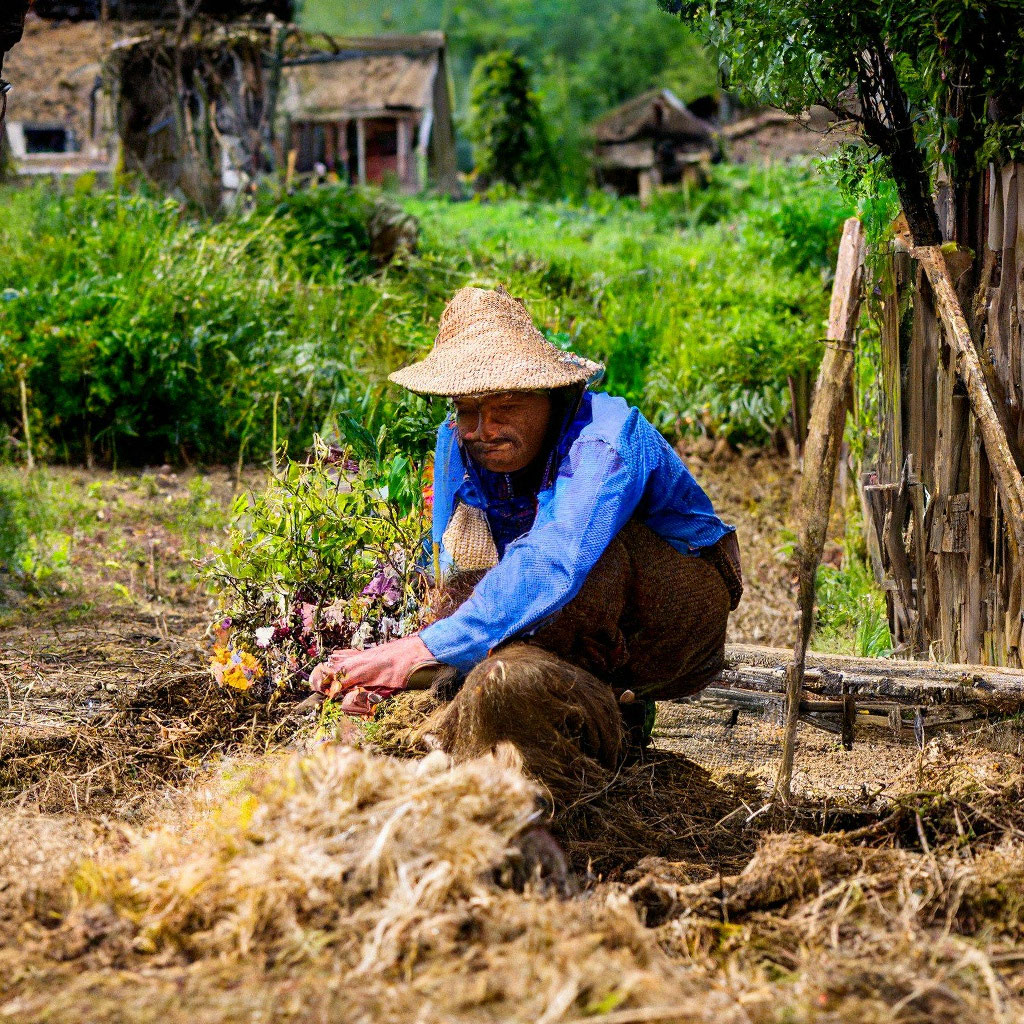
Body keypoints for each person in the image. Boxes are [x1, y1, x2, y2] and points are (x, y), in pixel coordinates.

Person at [310, 285, 742, 799]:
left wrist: (424, 649)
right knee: (467, 598)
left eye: (505, 407)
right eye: (467, 409)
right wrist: (401, 670)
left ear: (549, 396)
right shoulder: (457, 440)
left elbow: (558, 557)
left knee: (595, 560)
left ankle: (604, 715)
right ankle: (533, 712)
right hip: (567, 606)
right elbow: (448, 561)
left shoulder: (605, 439)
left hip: (670, 614)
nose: (483, 428)